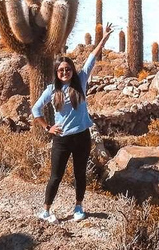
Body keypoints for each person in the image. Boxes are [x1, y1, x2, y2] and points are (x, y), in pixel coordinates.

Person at [32, 23, 115, 223]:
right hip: (62, 139)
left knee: (80, 174)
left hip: (82, 136)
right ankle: (46, 210)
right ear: (56, 72)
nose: (65, 72)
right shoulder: (51, 90)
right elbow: (35, 110)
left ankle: (78, 207)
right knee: (55, 177)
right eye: (61, 70)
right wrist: (47, 127)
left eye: (68, 69)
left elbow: (91, 59)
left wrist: (103, 40)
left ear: (72, 70)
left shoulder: (81, 81)